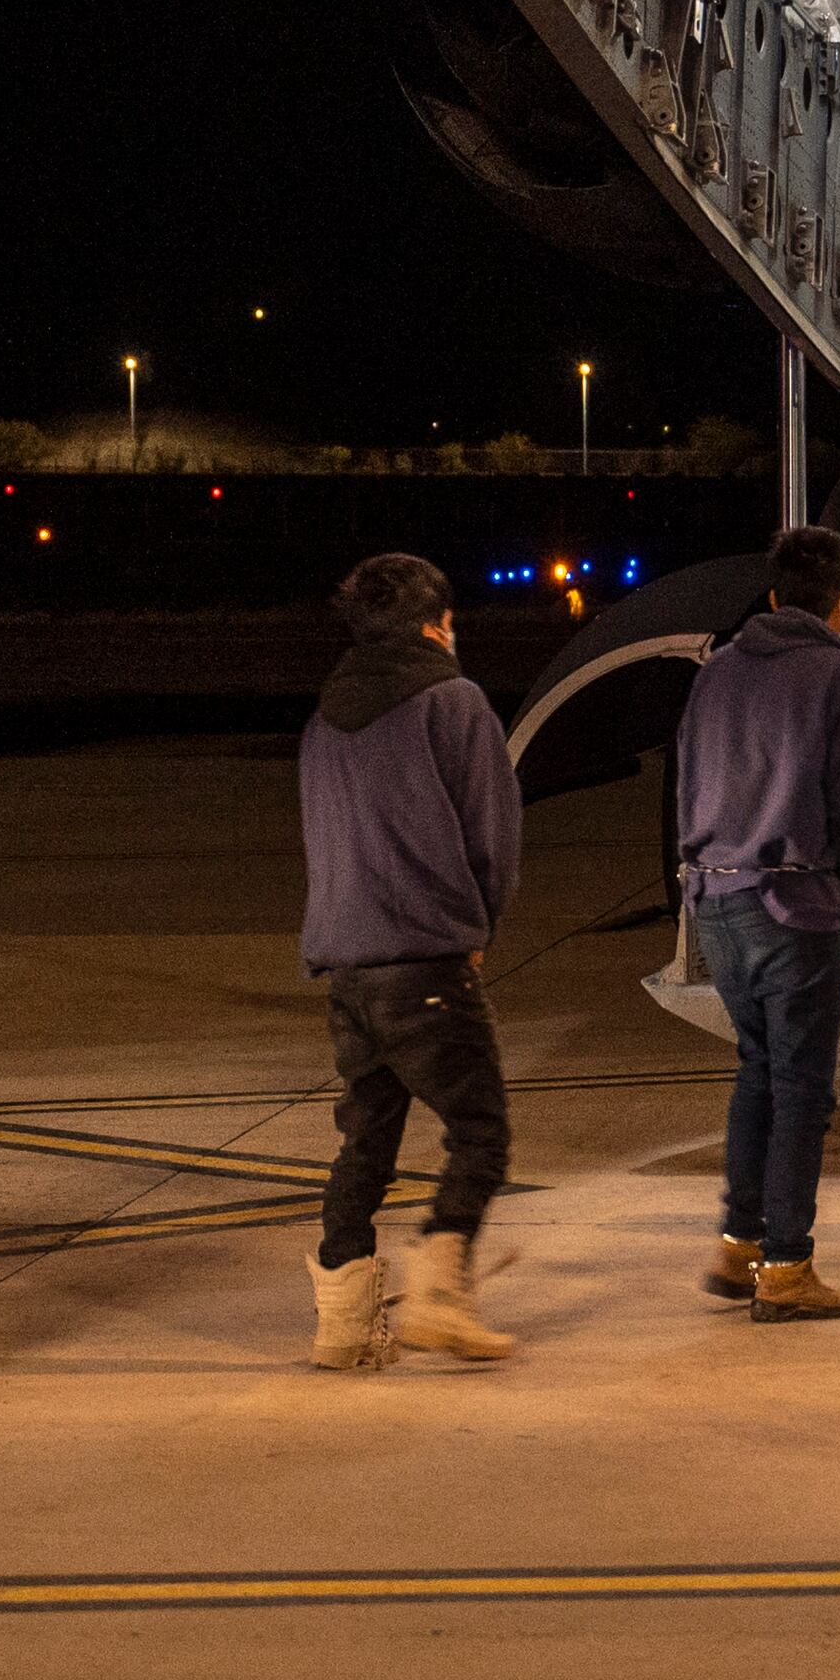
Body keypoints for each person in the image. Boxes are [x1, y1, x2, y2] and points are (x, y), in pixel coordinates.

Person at [296, 550, 524, 1369]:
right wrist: (476, 924)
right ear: (437, 623)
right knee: (481, 1132)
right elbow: (492, 835)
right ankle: (438, 1294)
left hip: (347, 967)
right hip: (423, 957)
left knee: (367, 1139)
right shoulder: (454, 701)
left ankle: (343, 1321)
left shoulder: (324, 717)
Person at [671, 524, 840, 1320]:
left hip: (717, 898)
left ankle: (738, 1243)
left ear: (771, 595)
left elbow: (687, 779)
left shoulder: (717, 670)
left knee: (757, 1070)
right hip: (793, 901)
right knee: (802, 1090)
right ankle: (788, 1266)